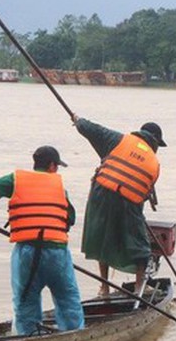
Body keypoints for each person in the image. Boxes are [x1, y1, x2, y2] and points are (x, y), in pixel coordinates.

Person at [0, 145, 85, 335]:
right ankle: (75, 335)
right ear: (51, 166)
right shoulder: (59, 189)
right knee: (67, 298)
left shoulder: (16, 180)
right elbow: (69, 219)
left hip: (27, 252)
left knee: (26, 300)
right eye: (56, 166)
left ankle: (27, 337)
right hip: (56, 252)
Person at [71, 114, 166, 297]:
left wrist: (78, 121)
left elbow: (90, 129)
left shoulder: (118, 140)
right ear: (155, 142)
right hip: (129, 203)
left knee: (102, 240)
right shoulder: (154, 163)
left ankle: (104, 288)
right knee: (141, 247)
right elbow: (143, 194)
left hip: (101, 195)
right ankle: (139, 289)